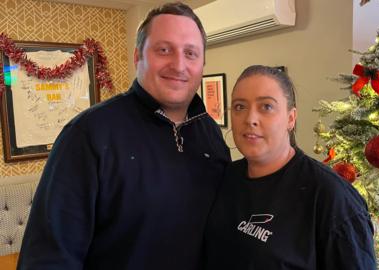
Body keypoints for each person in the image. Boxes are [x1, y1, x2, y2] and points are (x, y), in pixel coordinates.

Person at [17, 3, 230, 270]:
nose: (179, 64)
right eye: (164, 50)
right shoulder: (88, 134)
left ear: (202, 64)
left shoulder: (210, 133)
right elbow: (48, 258)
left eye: (190, 53)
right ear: (137, 56)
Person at [205, 65, 376, 269]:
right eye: (240, 106)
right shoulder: (228, 177)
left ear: (291, 118)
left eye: (266, 106)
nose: (250, 119)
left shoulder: (331, 197)